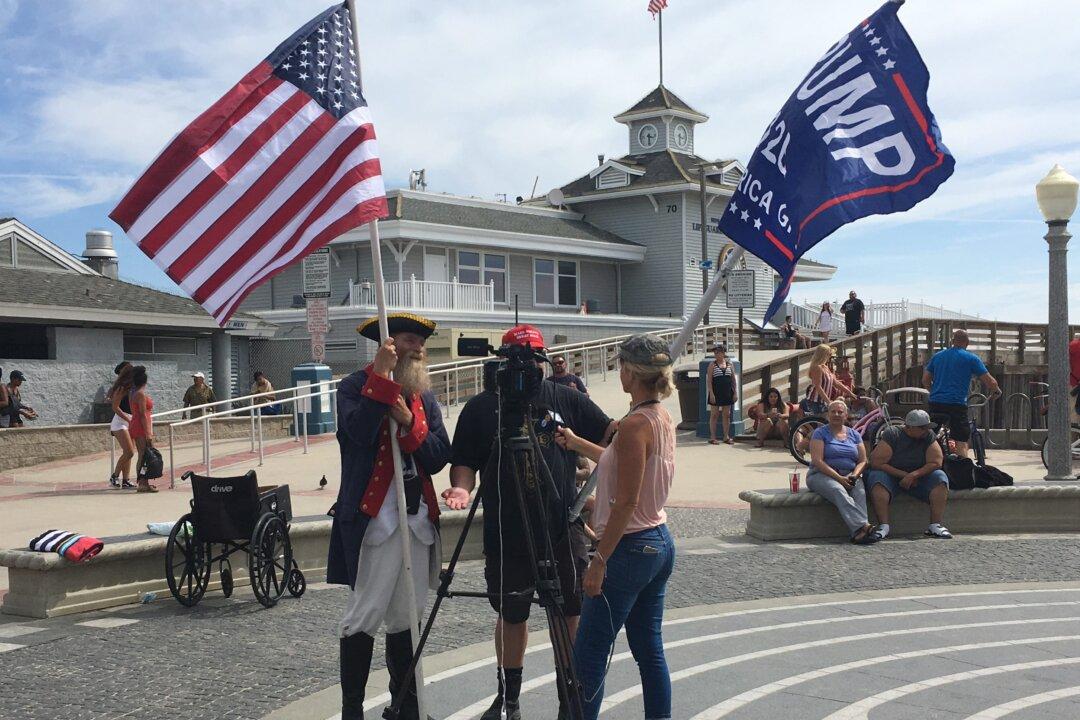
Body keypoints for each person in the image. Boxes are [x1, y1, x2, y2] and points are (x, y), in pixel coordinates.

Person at [443, 324, 615, 720]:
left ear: (543, 360)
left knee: (569, 610)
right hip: (508, 530)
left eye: (533, 360)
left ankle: (570, 697)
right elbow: (464, 461)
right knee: (512, 612)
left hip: (561, 527)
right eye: (518, 360)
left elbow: (611, 435)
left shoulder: (566, 397)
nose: (527, 368)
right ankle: (509, 698)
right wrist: (462, 489)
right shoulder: (482, 407)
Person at [329, 312, 451, 720]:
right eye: (411, 341)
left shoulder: (423, 397)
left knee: (407, 617)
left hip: (416, 522)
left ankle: (405, 707)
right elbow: (358, 434)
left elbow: (439, 456)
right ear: (389, 344)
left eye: (421, 343)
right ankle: (352, 712)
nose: (419, 349)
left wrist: (409, 422)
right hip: (375, 522)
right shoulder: (353, 386)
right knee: (364, 615)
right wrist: (380, 381)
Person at [556, 335, 677, 720]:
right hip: (658, 541)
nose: (618, 371)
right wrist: (577, 443)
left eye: (621, 365)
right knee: (649, 651)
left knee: (589, 655)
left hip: (630, 546)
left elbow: (626, 501)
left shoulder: (633, 425)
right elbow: (619, 460)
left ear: (631, 373)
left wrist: (599, 560)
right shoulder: (659, 417)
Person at [868, 409, 951, 539]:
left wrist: (914, 475)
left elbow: (936, 462)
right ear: (909, 427)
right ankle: (883, 526)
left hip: (919, 478)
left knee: (940, 477)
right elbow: (877, 462)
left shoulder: (928, 436)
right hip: (891, 476)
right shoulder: (892, 434)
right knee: (876, 478)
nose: (926, 430)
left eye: (927, 427)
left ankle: (935, 525)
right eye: (922, 428)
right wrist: (904, 475)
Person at [807, 400, 879, 545]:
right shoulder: (819, 433)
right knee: (838, 490)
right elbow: (817, 460)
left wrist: (854, 475)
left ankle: (858, 534)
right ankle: (864, 525)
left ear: (846, 415)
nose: (836, 414)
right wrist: (840, 478)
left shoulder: (855, 435)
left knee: (860, 492)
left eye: (840, 412)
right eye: (833, 411)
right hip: (821, 474)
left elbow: (863, 460)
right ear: (828, 415)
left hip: (850, 474)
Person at [922, 329, 1001, 458]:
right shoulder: (971, 358)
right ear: (967, 343)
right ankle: (962, 466)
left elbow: (925, 380)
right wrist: (996, 390)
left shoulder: (938, 356)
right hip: (956, 405)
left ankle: (928, 460)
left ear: (952, 341)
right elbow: (991, 382)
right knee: (961, 441)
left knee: (929, 436)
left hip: (936, 403)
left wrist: (934, 392)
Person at [127, 366, 157, 493]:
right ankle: (142, 483)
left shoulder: (133, 392)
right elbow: (143, 414)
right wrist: (148, 433)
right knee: (143, 455)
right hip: (140, 427)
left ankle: (144, 482)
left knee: (144, 455)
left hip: (136, 424)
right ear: (145, 381)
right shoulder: (140, 394)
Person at [805, 344, 855, 416]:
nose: (830, 356)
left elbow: (836, 383)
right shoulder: (817, 368)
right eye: (829, 354)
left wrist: (850, 393)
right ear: (824, 355)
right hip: (815, 401)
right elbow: (818, 387)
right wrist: (828, 402)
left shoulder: (825, 367)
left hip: (823, 401)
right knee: (821, 420)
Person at [108, 362, 136, 489]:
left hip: (130, 421)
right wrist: (128, 420)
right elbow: (115, 407)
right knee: (129, 452)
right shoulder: (121, 388)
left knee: (128, 453)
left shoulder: (133, 387)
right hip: (120, 422)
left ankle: (126, 480)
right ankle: (114, 476)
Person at [707, 345, 738, 445]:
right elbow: (709, 380)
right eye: (715, 353)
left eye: (718, 352)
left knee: (727, 415)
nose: (716, 355)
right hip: (716, 392)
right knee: (714, 415)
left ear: (723, 353)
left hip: (727, 392)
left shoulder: (729, 364)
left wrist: (735, 392)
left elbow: (733, 380)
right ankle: (713, 437)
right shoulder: (712, 365)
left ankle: (726, 436)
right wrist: (711, 393)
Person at [1069, 331, 1080, 423]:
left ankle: (1072, 430)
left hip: (1074, 382)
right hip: (1075, 383)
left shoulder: (1072, 346)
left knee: (1073, 414)